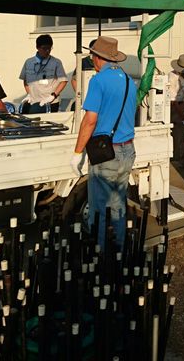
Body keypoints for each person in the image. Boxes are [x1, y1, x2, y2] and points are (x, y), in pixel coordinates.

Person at [72, 36, 138, 248]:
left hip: (106, 153)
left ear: (98, 57)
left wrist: (77, 152)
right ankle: (119, 251)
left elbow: (90, 120)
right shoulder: (128, 80)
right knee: (118, 204)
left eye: (92, 56)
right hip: (128, 149)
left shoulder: (98, 81)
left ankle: (99, 253)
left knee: (99, 208)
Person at [18, 34, 69, 113]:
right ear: (37, 47)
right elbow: (25, 81)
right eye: (44, 48)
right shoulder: (29, 62)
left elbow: (63, 81)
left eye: (49, 48)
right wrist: (29, 94)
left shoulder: (56, 62)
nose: (47, 51)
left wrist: (53, 96)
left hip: (50, 102)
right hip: (33, 101)